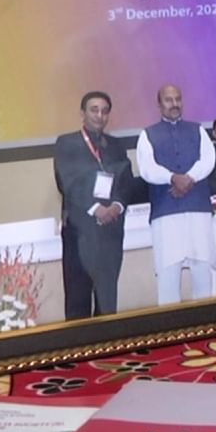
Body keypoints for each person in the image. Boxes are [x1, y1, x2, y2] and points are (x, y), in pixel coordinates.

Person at [53, 91, 133, 319]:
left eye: (104, 111)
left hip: (110, 231)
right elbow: (66, 180)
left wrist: (116, 206)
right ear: (82, 113)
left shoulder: (116, 145)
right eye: (94, 110)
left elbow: (125, 181)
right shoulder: (66, 142)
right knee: (78, 297)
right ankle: (80, 352)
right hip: (80, 231)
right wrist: (96, 208)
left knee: (107, 299)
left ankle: (107, 349)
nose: (100, 115)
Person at [136, 84, 216, 305]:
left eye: (177, 99)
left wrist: (188, 177)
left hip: (197, 209)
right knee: (168, 275)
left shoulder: (197, 129)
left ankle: (207, 327)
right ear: (159, 104)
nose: (174, 104)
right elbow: (147, 168)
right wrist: (172, 177)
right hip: (166, 213)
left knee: (202, 271)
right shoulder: (147, 135)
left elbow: (208, 160)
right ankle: (171, 333)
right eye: (168, 100)